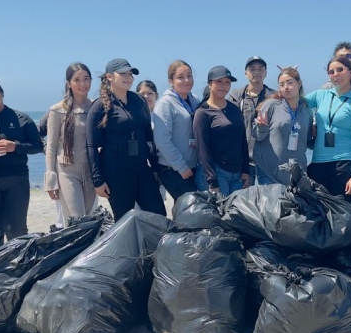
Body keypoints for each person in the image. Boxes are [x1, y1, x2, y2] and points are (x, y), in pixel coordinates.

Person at [88, 58, 166, 220]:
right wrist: (97, 180)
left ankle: (152, 246)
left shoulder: (139, 100)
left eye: (130, 74)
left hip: (141, 168)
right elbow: (91, 146)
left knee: (158, 214)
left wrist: (156, 167)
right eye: (123, 74)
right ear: (109, 76)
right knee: (124, 220)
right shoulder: (99, 106)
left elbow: (148, 138)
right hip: (116, 172)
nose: (128, 77)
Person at [0, 78, 43, 255]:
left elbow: (38, 145)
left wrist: (16, 147)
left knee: (16, 229)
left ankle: (20, 269)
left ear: (1, 93)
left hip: (16, 179)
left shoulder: (21, 118)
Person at [305, 57, 351, 198]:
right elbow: (295, 102)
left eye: (340, 70)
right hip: (317, 163)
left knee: (342, 217)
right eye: (331, 72)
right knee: (318, 215)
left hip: (344, 165)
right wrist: (290, 77)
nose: (336, 74)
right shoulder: (320, 95)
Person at [44, 63, 98, 226]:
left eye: (86, 79)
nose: (82, 84)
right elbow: (51, 146)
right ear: (69, 83)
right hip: (67, 171)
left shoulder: (96, 107)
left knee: (89, 220)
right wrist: (51, 178)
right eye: (77, 80)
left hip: (90, 171)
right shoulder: (57, 110)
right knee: (77, 220)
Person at [152, 60, 208, 204]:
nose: (186, 80)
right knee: (191, 208)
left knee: (190, 211)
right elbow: (161, 139)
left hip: (193, 166)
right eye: (180, 77)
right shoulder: (165, 104)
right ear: (171, 80)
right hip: (173, 168)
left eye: (189, 76)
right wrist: (181, 166)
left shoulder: (194, 99)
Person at [193, 66, 251, 196]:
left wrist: (245, 170)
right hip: (216, 173)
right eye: (219, 81)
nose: (223, 86)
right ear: (210, 84)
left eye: (227, 82)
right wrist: (212, 180)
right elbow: (202, 149)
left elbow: (242, 141)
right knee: (218, 215)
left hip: (237, 174)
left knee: (237, 214)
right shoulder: (202, 113)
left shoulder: (235, 109)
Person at [252, 66, 313, 186]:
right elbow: (257, 136)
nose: (286, 87)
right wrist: (261, 127)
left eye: (290, 82)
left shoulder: (307, 111)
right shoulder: (271, 105)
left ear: (299, 83)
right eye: (281, 84)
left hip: (296, 175)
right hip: (269, 172)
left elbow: (308, 140)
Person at [228, 56, 275, 162]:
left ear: (265, 73)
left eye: (260, 69)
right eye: (252, 69)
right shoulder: (236, 97)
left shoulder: (274, 97)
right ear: (246, 73)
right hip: (243, 158)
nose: (257, 72)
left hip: (268, 159)